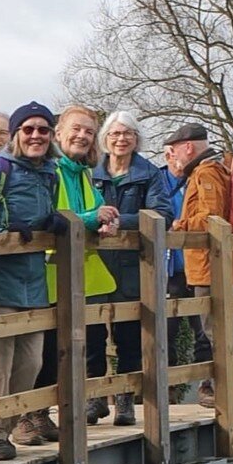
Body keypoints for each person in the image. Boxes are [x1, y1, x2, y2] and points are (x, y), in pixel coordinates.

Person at [0, 102, 58, 454]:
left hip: (34, 281)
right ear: (15, 135)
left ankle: (8, 427)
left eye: (43, 130)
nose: (36, 136)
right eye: (28, 129)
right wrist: (2, 232)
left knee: (31, 363)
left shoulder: (50, 174)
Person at [37, 105, 118, 427]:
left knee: (95, 339)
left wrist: (107, 222)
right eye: (76, 129)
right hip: (52, 270)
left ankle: (92, 399)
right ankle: (41, 412)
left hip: (87, 271)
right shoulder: (50, 170)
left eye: (88, 131)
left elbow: (96, 210)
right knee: (51, 348)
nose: (82, 136)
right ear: (59, 133)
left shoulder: (83, 172)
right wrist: (90, 219)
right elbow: (53, 216)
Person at [166, 123, 233, 408]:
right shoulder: (214, 169)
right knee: (221, 326)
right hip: (213, 264)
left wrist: (178, 225)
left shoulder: (206, 173)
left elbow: (211, 218)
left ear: (188, 147)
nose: (172, 157)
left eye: (173, 151)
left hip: (210, 265)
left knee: (216, 327)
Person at [91, 112, 173, 425]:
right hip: (96, 263)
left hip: (131, 267)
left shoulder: (149, 174)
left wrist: (119, 222)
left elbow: (161, 214)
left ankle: (125, 401)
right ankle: (94, 397)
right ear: (105, 140)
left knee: (128, 337)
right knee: (91, 335)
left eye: (127, 134)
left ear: (136, 139)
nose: (121, 139)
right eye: (114, 134)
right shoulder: (91, 173)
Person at [162, 143, 211, 391]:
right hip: (169, 268)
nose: (178, 161)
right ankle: (167, 388)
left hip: (197, 264)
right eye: (173, 155)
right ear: (167, 156)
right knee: (166, 330)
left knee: (203, 328)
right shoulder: (159, 181)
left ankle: (208, 384)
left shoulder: (200, 179)